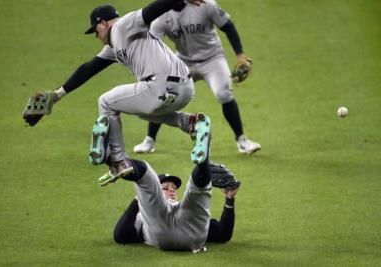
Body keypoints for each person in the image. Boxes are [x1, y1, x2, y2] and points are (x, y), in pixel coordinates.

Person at [30, 0, 208, 183]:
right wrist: (57, 94)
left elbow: (153, 9)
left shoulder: (123, 25)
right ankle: (190, 123)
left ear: (104, 23)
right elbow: (90, 68)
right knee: (140, 110)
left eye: (95, 30)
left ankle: (119, 160)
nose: (96, 35)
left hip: (159, 86)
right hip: (185, 88)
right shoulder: (113, 45)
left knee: (105, 102)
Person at [133, 0, 261, 155]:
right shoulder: (161, 17)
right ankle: (149, 140)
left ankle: (242, 141)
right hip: (183, 61)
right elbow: (153, 46)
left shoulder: (205, 4)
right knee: (164, 94)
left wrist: (240, 55)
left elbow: (227, 26)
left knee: (224, 93)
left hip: (212, 58)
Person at [104, 114, 239, 252]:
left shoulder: (184, 209)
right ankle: (120, 162)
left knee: (197, 190)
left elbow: (223, 234)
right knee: (147, 177)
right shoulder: (143, 215)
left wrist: (229, 198)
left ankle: (203, 159)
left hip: (187, 225)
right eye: (165, 187)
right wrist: (138, 201)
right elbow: (120, 236)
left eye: (173, 187)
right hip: (171, 230)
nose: (172, 190)